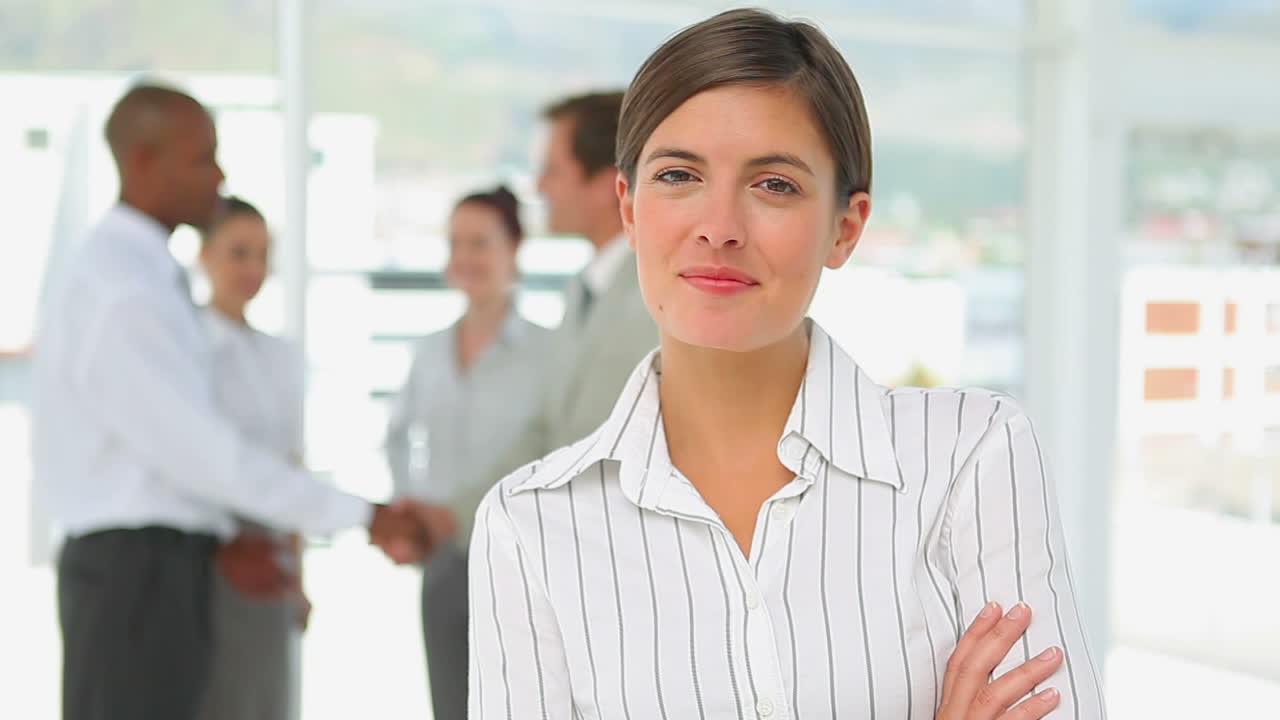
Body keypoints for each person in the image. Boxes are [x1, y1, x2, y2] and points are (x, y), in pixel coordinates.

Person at [468, 9, 1106, 720]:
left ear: (846, 227)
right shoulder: (529, 523)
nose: (719, 227)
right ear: (629, 209)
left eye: (774, 185)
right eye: (679, 175)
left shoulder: (969, 456)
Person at [30, 83, 448, 720]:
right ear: (144, 162)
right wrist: (365, 516)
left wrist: (227, 537)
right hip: (135, 577)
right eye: (203, 158)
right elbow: (203, 456)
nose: (220, 176)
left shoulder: (138, 274)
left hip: (160, 568)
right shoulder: (123, 289)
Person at [444, 91, 658, 547]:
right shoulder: (583, 290)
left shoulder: (656, 301)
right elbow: (548, 431)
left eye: (553, 171)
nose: (539, 187)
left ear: (607, 184)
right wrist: (453, 517)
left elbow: (598, 448)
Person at [384, 186, 550, 720]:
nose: (465, 258)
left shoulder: (546, 352)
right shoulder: (429, 350)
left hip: (524, 561)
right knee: (451, 707)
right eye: (456, 243)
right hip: (447, 555)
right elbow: (396, 435)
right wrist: (410, 505)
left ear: (514, 249)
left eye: (480, 242)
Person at [193, 196, 309, 720]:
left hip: (268, 560)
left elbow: (291, 469)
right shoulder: (185, 350)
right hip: (203, 558)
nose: (252, 269)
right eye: (238, 253)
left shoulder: (280, 357)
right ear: (205, 255)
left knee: (266, 700)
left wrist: (299, 576)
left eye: (262, 255)